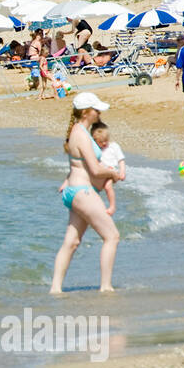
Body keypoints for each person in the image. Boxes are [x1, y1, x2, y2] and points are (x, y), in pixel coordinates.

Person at [49, 93, 121, 294]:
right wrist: (113, 173)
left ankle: (55, 289)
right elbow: (96, 170)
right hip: (83, 192)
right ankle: (106, 286)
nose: (99, 112)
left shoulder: (78, 131)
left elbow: (78, 165)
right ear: (85, 112)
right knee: (112, 236)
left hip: (74, 192)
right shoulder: (81, 134)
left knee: (71, 242)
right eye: (95, 109)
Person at [90, 121, 126, 216]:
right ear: (95, 141)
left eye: (106, 140)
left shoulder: (114, 146)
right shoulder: (96, 149)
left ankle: (112, 206)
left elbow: (121, 160)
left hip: (112, 171)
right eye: (101, 142)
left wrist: (122, 172)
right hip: (101, 171)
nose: (104, 143)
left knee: (108, 186)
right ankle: (95, 206)